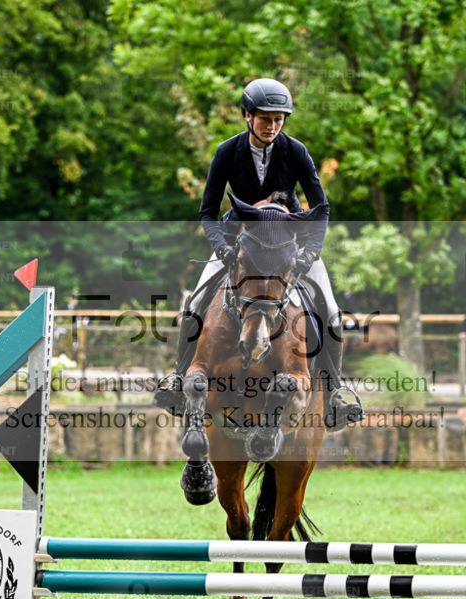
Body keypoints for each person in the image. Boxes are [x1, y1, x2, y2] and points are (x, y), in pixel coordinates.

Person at [153, 78, 363, 431]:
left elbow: (322, 208)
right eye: (265, 118)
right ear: (247, 116)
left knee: (329, 310)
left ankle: (335, 394)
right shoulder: (227, 152)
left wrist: (311, 251)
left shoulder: (296, 151)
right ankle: (177, 379)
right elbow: (207, 212)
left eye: (279, 119)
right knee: (195, 304)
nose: (272, 126)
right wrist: (221, 246)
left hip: (289, 244)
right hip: (239, 244)